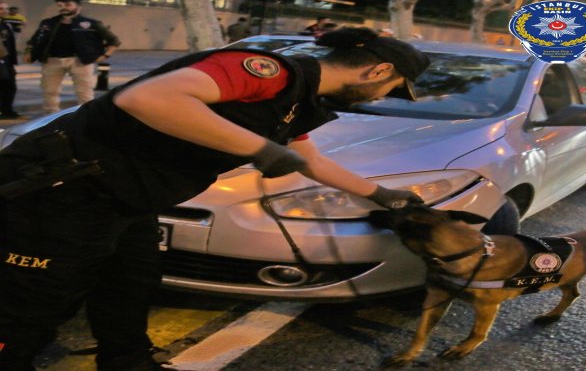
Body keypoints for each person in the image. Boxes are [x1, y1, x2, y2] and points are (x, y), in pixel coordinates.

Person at [0, 27, 429, 371]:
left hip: (126, 199)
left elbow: (310, 162)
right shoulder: (269, 73)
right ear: (378, 71)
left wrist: (384, 195)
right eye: (391, 88)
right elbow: (145, 97)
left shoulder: (299, 100)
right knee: (35, 300)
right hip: (63, 190)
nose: (381, 97)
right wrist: (259, 149)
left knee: (130, 285)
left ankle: (127, 361)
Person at [23, 0, 121, 114]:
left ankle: (87, 117)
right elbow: (34, 40)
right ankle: (51, 117)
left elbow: (114, 41)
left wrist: (105, 55)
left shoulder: (91, 24)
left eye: (68, 4)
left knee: (84, 92)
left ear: (78, 6)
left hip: (81, 61)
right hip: (52, 60)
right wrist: (29, 52)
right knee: (49, 91)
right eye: (60, 5)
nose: (63, 7)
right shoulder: (48, 23)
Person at [0, 0, 19, 120]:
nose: (5, 11)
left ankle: (7, 110)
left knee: (10, 86)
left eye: (6, 8)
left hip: (7, 62)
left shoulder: (6, 24)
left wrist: (12, 61)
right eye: (1, 9)